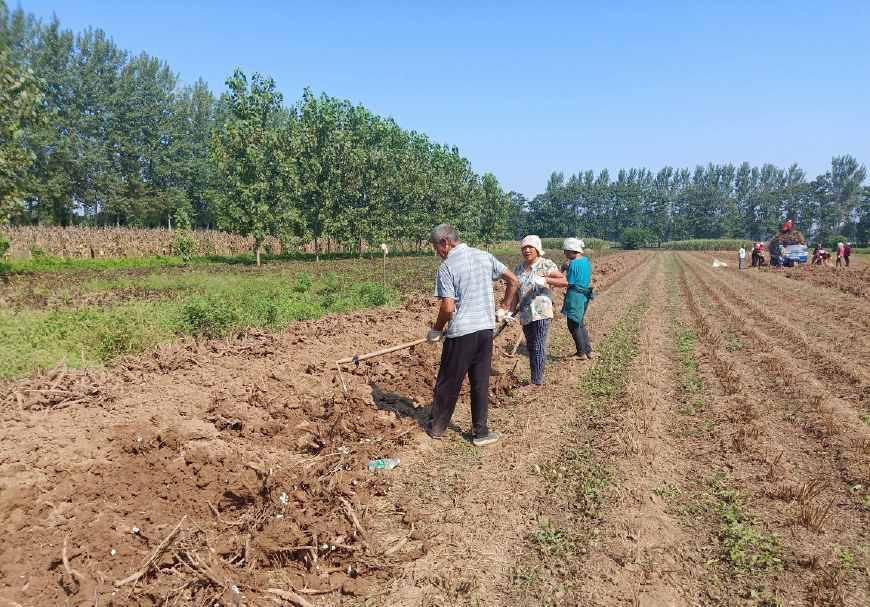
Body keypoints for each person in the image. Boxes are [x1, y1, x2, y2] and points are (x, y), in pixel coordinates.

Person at [425, 223, 519, 446]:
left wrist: (436, 330)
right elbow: (514, 280)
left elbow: (448, 308)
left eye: (436, 248)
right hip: (485, 330)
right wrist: (504, 307)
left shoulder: (447, 267)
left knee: (448, 381)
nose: (437, 253)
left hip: (461, 333)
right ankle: (481, 432)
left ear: (445, 242)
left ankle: (437, 427)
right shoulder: (484, 256)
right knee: (480, 381)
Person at [509, 235, 565, 390]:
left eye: (530, 247)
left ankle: (536, 382)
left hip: (541, 311)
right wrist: (510, 312)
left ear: (537, 249)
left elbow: (564, 281)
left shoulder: (546, 264)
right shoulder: (519, 269)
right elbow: (514, 293)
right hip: (526, 313)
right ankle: (535, 378)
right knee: (531, 346)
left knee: (538, 345)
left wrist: (546, 280)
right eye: (524, 248)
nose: (527, 250)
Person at [553, 238, 593, 359]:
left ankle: (581, 353)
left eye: (565, 251)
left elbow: (566, 282)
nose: (564, 254)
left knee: (573, 325)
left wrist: (550, 280)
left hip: (575, 296)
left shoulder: (572, 264)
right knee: (580, 323)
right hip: (585, 295)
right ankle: (588, 351)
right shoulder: (586, 261)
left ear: (572, 250)